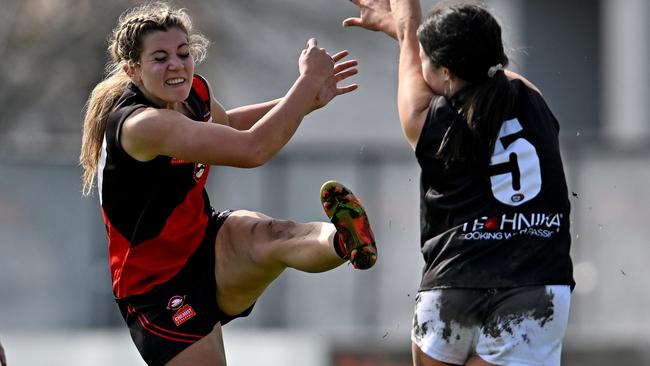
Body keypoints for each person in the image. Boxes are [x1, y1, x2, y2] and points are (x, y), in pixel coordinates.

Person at [79, 2, 377, 365]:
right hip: (155, 290)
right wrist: (305, 84)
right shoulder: (143, 125)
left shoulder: (193, 95)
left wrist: (303, 101)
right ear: (133, 70)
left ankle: (345, 240)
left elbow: (231, 128)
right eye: (159, 58)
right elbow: (253, 150)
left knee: (275, 234)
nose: (176, 65)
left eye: (183, 53)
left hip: (205, 241)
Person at [344, 1, 574, 365]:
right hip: (533, 290)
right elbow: (488, 73)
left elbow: (410, 34)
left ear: (446, 71)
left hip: (452, 287)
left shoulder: (425, 120)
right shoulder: (535, 99)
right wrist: (415, 38)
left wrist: (407, 35)